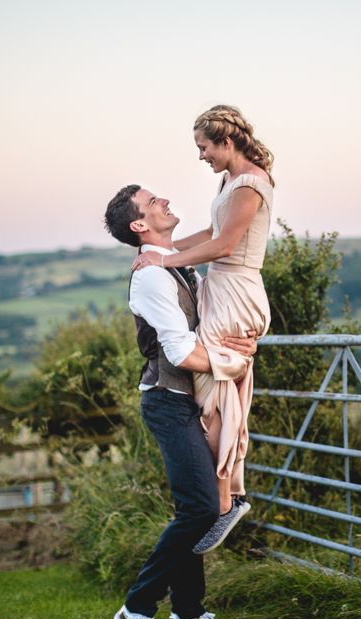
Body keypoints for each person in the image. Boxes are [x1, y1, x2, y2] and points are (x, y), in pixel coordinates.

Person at [104, 184, 257, 619]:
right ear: (139, 226)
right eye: (153, 203)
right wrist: (234, 362)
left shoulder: (174, 260)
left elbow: (219, 235)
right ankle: (137, 609)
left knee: (197, 506)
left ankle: (188, 612)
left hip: (187, 401)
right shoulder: (150, 277)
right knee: (199, 510)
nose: (164, 201)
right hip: (167, 402)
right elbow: (179, 352)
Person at [132, 105, 274, 554]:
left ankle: (225, 500)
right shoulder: (230, 180)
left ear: (225, 143)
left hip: (236, 290)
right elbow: (212, 230)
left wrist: (164, 259)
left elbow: (227, 244)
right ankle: (228, 494)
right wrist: (162, 252)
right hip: (224, 288)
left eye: (203, 147)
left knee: (213, 394)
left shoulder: (252, 182)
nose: (201, 156)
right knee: (216, 395)